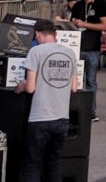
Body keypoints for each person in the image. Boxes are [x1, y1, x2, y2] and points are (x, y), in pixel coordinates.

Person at [15, 19, 76, 182]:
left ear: (37, 34)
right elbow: (74, 87)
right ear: (55, 35)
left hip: (40, 117)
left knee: (32, 164)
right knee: (53, 163)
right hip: (62, 116)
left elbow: (31, 88)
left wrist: (22, 85)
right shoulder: (69, 52)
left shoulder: (36, 52)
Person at [68, 0, 106, 121]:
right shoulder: (78, 5)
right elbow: (72, 22)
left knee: (91, 80)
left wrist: (85, 24)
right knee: (75, 79)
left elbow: (105, 26)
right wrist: (74, 24)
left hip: (92, 48)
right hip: (76, 47)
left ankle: (91, 111)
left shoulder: (100, 4)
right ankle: (75, 109)